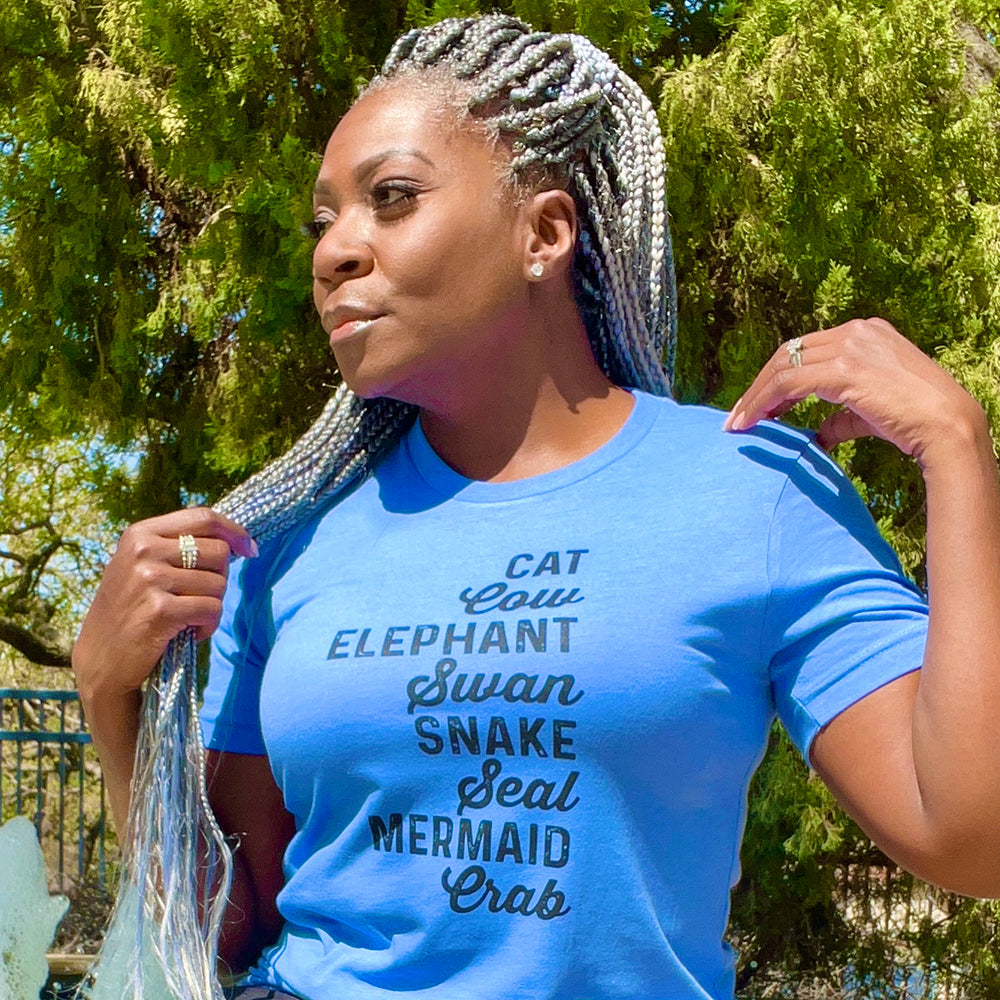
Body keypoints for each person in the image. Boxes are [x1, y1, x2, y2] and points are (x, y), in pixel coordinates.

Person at [71, 14, 1000, 1000]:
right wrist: (108, 696)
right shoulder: (289, 536)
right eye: (323, 219)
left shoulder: (751, 492)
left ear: (545, 231)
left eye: (391, 198)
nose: (336, 250)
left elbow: (968, 838)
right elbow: (230, 924)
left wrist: (955, 449)